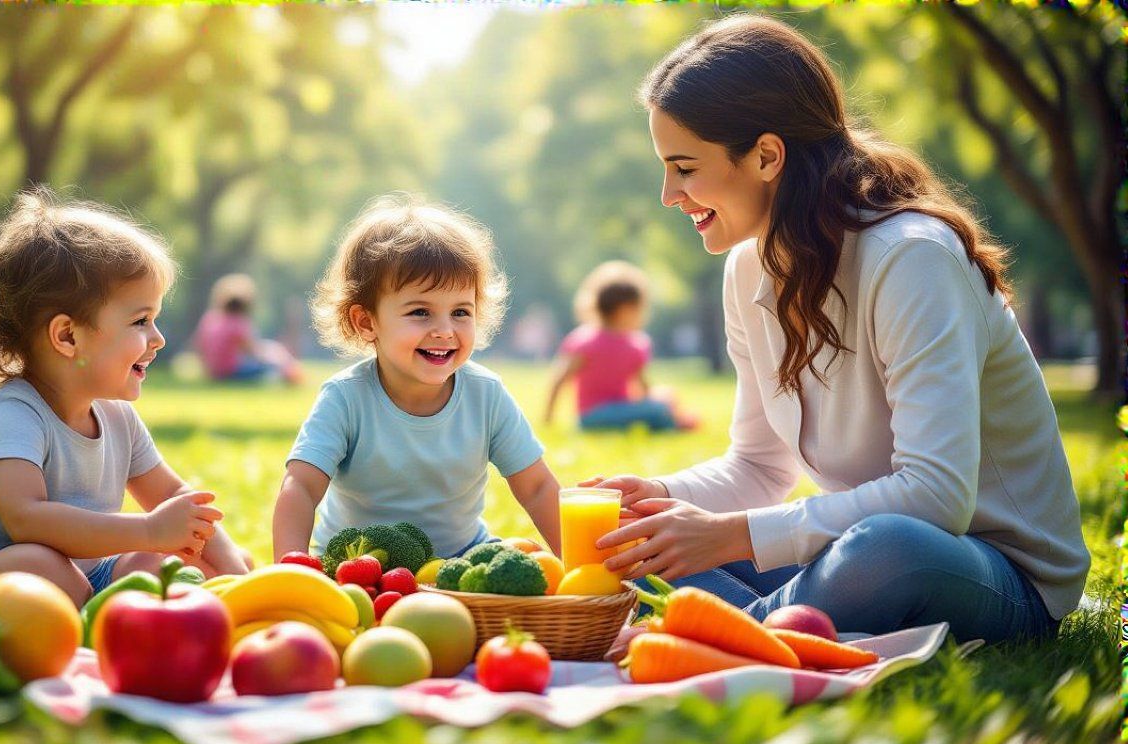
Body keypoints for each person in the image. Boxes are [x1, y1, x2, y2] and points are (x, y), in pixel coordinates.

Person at [588, 15, 1089, 645]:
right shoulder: (749, 268)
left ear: (767, 156)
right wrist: (655, 499)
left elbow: (936, 497)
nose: (668, 193)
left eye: (684, 167)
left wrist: (732, 536)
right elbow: (757, 466)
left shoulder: (912, 257)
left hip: (995, 573)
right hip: (846, 552)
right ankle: (751, 623)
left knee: (885, 548)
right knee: (648, 551)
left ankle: (726, 633)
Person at [0, 190, 250, 607]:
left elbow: (175, 498)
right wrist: (150, 532)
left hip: (89, 573)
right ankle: (94, 627)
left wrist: (237, 576)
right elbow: (25, 519)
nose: (158, 339)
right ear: (67, 336)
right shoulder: (13, 413)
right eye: (141, 321)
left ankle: (112, 622)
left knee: (177, 563)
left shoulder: (117, 417)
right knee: (38, 563)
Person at [271, 195, 562, 561]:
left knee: (525, 574)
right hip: (359, 563)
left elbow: (536, 487)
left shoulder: (486, 395)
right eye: (421, 312)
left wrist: (580, 569)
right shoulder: (346, 398)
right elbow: (301, 487)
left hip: (462, 557)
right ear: (367, 321)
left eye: (460, 312)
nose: (444, 330)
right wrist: (293, 567)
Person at [543, 260, 697, 431]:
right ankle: (676, 424)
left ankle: (674, 420)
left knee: (665, 397)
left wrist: (548, 418)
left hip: (591, 417)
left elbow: (558, 381)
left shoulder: (585, 339)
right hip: (595, 417)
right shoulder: (596, 343)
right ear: (625, 310)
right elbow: (644, 390)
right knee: (659, 408)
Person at [192, 273, 303, 384]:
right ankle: (288, 376)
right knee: (274, 367)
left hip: (213, 372)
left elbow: (199, 346)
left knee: (272, 352)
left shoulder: (210, 318)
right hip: (230, 372)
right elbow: (254, 352)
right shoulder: (238, 323)